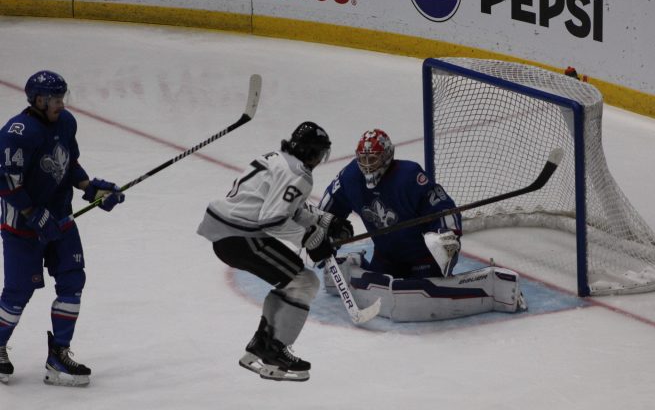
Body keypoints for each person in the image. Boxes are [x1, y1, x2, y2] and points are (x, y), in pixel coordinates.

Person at [196, 122, 351, 382]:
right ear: (313, 152)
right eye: (320, 154)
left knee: (291, 283)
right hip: (241, 236)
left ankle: (263, 343)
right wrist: (310, 240)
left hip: (229, 233)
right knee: (305, 282)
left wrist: (324, 220)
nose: (319, 160)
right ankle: (276, 351)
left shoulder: (277, 158)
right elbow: (273, 220)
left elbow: (285, 207)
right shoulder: (299, 174)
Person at [319, 129, 526, 323]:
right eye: (363, 159)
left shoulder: (408, 176)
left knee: (418, 292)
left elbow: (443, 207)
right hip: (386, 255)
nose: (367, 166)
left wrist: (447, 237)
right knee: (380, 284)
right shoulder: (350, 177)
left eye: (373, 159)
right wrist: (321, 231)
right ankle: (355, 262)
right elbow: (328, 206)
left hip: (422, 258)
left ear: (387, 156)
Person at [0, 70, 125, 386]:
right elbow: (6, 183)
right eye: (55, 99)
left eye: (62, 97)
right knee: (18, 292)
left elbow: (68, 164)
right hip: (22, 228)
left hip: (61, 220)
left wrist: (91, 188)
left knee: (73, 280)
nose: (61, 103)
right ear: (38, 100)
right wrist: (33, 214)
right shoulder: (17, 133)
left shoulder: (66, 123)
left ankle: (59, 354)